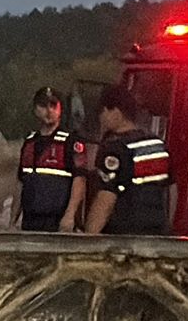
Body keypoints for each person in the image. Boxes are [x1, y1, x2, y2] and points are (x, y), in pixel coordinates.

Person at [79, 86, 170, 236]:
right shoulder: (157, 145)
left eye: (103, 112)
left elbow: (106, 198)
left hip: (124, 234)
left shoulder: (115, 149)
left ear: (116, 111)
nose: (102, 117)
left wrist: (89, 238)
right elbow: (170, 190)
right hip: (157, 231)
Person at [15, 86, 88, 232]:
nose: (49, 111)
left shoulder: (71, 142)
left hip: (58, 219)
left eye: (53, 106)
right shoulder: (29, 143)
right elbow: (20, 184)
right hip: (30, 219)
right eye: (43, 106)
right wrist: (14, 219)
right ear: (35, 110)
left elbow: (79, 181)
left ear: (60, 109)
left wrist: (70, 216)